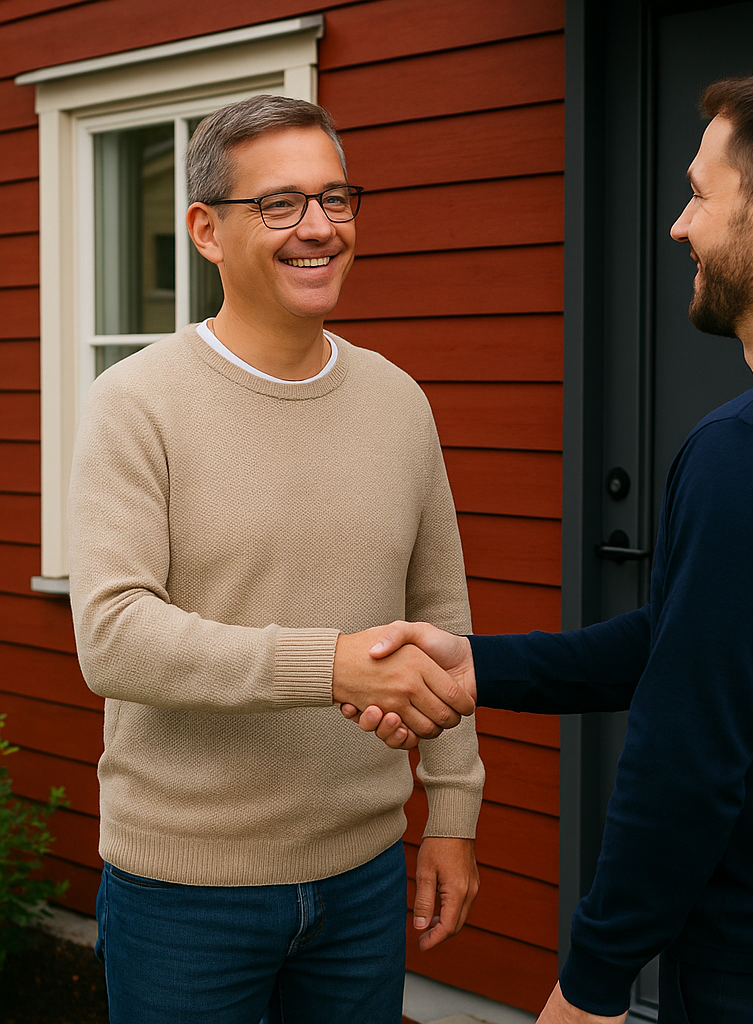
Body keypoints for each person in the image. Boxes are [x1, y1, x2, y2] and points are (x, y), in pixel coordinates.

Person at [348, 66, 753, 1024]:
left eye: (700, 193)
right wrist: (476, 669)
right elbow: (714, 641)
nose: (680, 225)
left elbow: (686, 755)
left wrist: (595, 980)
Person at [67, 94, 484, 1024]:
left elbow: (442, 619)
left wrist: (454, 812)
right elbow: (114, 637)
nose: (320, 229)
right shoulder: (135, 403)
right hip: (184, 892)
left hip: (364, 877)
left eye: (336, 200)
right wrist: (324, 662)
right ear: (206, 230)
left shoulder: (398, 401)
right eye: (282, 205)